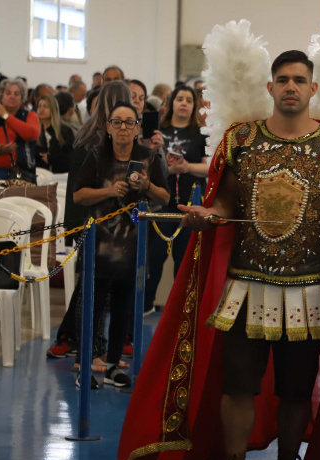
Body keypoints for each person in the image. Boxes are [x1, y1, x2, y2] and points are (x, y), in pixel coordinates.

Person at [116, 50, 320, 460]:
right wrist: (205, 216)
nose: (290, 86)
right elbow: (225, 205)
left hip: (312, 291)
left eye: (299, 80)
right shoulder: (241, 140)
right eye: (282, 80)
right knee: (236, 386)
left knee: (295, 391)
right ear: (270, 88)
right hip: (247, 286)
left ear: (314, 89)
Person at [72, 102, 169, 388]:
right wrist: (109, 190)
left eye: (129, 122)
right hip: (99, 246)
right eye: (117, 122)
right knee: (93, 306)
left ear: (139, 127)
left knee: (124, 307)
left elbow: (164, 197)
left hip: (133, 246)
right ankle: (86, 365)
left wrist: (147, 186)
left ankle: (114, 365)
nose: (123, 128)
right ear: (108, 127)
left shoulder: (148, 156)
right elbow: (78, 195)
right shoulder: (96, 156)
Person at [46, 81, 133, 360]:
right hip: (98, 222)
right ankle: (89, 348)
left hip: (86, 220)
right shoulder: (102, 142)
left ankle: (76, 339)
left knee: (93, 287)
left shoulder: (86, 134)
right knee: (96, 290)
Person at [144, 85, 209, 314]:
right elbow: (147, 167)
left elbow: (208, 167)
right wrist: (165, 166)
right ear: (171, 104)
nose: (184, 103)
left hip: (190, 207)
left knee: (185, 264)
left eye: (189, 100)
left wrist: (187, 166)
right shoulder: (158, 132)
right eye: (179, 99)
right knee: (154, 257)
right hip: (161, 204)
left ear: (194, 106)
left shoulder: (201, 135)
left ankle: (183, 312)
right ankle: (146, 306)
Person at [0, 78, 40, 179]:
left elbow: (32, 133)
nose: (12, 96)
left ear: (22, 98)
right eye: (8, 93)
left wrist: (6, 116)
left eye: (16, 94)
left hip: (23, 173)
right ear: (1, 96)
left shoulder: (30, 116)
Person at [36, 95, 74, 174]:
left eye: (46, 106)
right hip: (40, 173)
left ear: (53, 109)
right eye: (39, 106)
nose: (41, 109)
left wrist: (51, 158)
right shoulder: (35, 130)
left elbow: (70, 156)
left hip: (61, 174)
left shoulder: (65, 131)